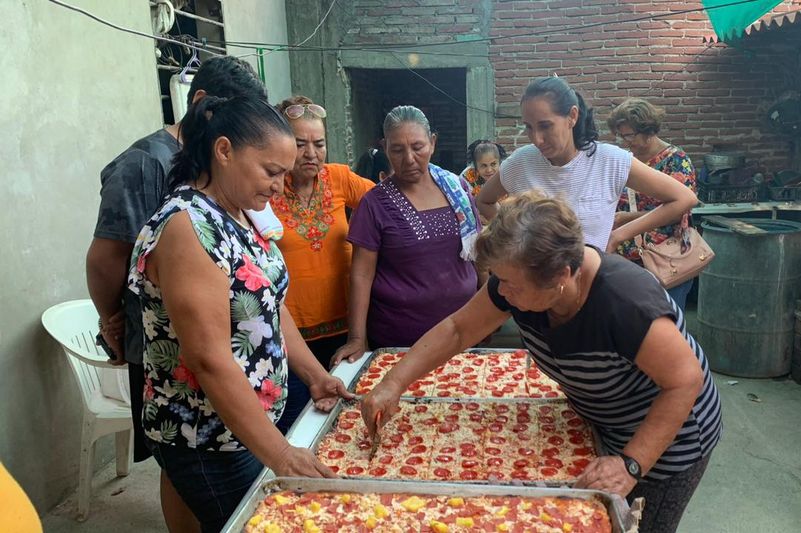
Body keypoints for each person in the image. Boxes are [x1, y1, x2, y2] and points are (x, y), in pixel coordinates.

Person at [362, 192, 721, 533]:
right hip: (604, 422)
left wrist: (632, 462)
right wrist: (394, 382)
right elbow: (457, 329)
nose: (501, 292)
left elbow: (685, 380)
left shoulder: (624, 302)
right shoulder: (518, 283)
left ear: (561, 277)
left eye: (510, 284)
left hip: (671, 439)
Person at [127, 95, 353, 532]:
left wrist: (314, 375)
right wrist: (282, 454)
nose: (278, 186)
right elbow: (208, 359)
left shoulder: (241, 215)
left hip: (244, 427)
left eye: (284, 175)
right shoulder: (188, 226)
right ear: (225, 150)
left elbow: (269, 306)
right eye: (271, 172)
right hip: (206, 437)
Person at [86, 55, 269, 532]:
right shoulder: (146, 164)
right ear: (202, 106)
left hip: (222, 342)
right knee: (181, 456)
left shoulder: (226, 176)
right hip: (164, 341)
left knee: (190, 471)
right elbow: (107, 257)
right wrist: (111, 318)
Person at [476, 76, 697, 252]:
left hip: (591, 286)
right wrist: (518, 236)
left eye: (545, 126)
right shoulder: (522, 161)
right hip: (535, 288)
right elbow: (484, 201)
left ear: (572, 116)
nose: (537, 138)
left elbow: (684, 198)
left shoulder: (609, 160)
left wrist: (619, 235)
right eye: (529, 127)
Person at [332, 106, 482, 364]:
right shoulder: (374, 204)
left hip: (463, 333)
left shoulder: (457, 189)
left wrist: (487, 310)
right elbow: (361, 274)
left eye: (418, 147)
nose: (409, 158)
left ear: (432, 143)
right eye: (398, 150)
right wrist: (357, 338)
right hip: (400, 343)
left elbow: (478, 253)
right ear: (385, 147)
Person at [268, 95, 374, 433]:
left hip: (346, 330)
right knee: (299, 427)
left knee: (346, 424)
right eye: (300, 144)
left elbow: (387, 205)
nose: (311, 153)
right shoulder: (265, 188)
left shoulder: (340, 178)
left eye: (319, 143)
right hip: (289, 336)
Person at [607, 98, 698, 310]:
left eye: (629, 135)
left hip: (667, 260)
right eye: (621, 136)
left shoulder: (676, 160)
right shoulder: (628, 161)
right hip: (629, 262)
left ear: (648, 130)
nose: (625, 141)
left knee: (668, 321)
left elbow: (678, 212)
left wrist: (626, 219)